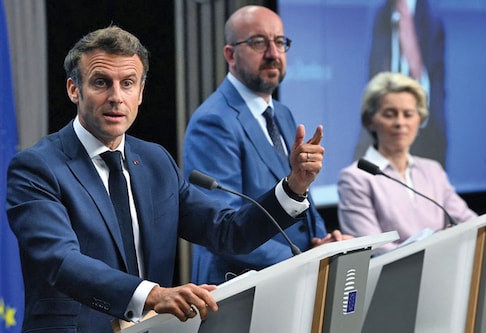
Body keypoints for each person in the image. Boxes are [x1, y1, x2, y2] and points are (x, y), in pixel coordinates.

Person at [5, 26, 326, 332]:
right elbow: (60, 261)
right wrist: (153, 295)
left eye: (128, 83)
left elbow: (229, 232)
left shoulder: (156, 162)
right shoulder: (36, 168)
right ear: (74, 89)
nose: (116, 97)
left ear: (141, 92)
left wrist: (295, 185)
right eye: (101, 82)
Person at [183, 5, 348, 286]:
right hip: (241, 288)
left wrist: (324, 240)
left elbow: (301, 195)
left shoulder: (281, 112)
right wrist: (306, 258)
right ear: (230, 55)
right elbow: (224, 227)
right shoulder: (213, 122)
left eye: (280, 42)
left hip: (294, 279)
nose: (273, 54)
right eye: (258, 42)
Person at [337, 72, 476, 255]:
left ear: (419, 120)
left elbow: (471, 225)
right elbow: (375, 250)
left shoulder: (432, 170)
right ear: (370, 121)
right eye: (389, 114)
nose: (400, 123)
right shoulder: (355, 178)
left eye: (408, 114)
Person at [354, 0, 446, 168]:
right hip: (378, 140)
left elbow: (436, 83)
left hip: (426, 138)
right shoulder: (380, 15)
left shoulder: (433, 18)